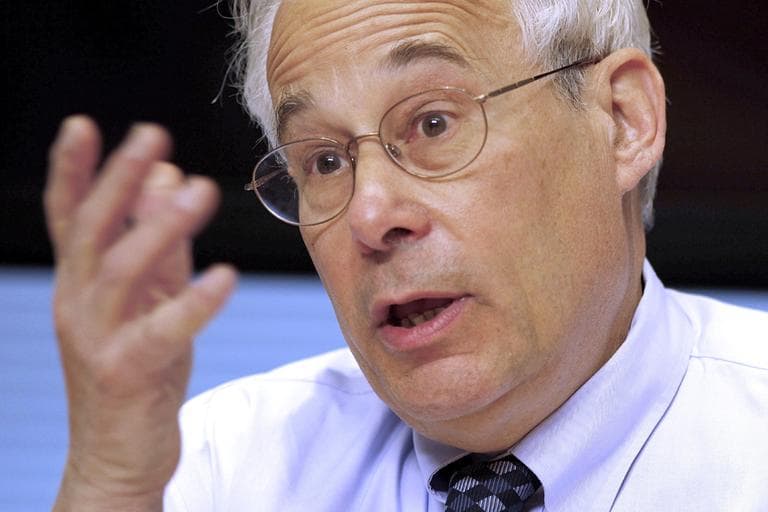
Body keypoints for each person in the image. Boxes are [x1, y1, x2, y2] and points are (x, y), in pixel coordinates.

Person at [46, 1, 767, 511]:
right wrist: (108, 486)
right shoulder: (214, 467)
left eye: (433, 122)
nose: (369, 215)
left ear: (622, 121)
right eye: (324, 161)